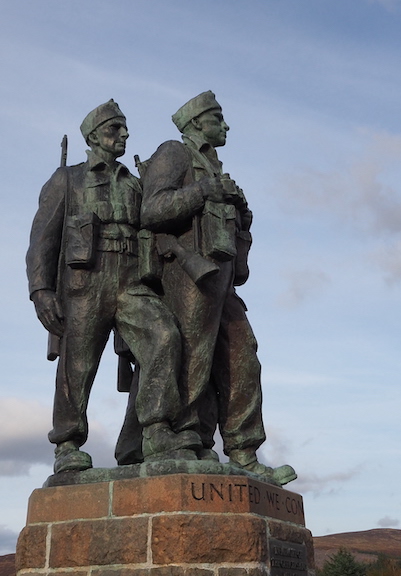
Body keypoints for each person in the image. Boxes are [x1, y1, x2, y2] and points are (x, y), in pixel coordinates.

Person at [124, 91, 295, 485]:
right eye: (218, 118)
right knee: (192, 352)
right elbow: (151, 211)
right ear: (197, 123)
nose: (226, 125)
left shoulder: (213, 166)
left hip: (221, 277)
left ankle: (244, 450)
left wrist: (241, 211)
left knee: (242, 354)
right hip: (186, 273)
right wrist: (205, 192)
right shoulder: (175, 153)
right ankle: (184, 436)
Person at [26, 100, 200, 474]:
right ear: (93, 137)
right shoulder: (67, 180)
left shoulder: (135, 183)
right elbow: (42, 241)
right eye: (114, 129)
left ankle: (156, 430)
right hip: (85, 282)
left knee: (164, 336)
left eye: (123, 129)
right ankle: (68, 443)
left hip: (130, 279)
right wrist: (41, 291)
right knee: (79, 363)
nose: (123, 134)